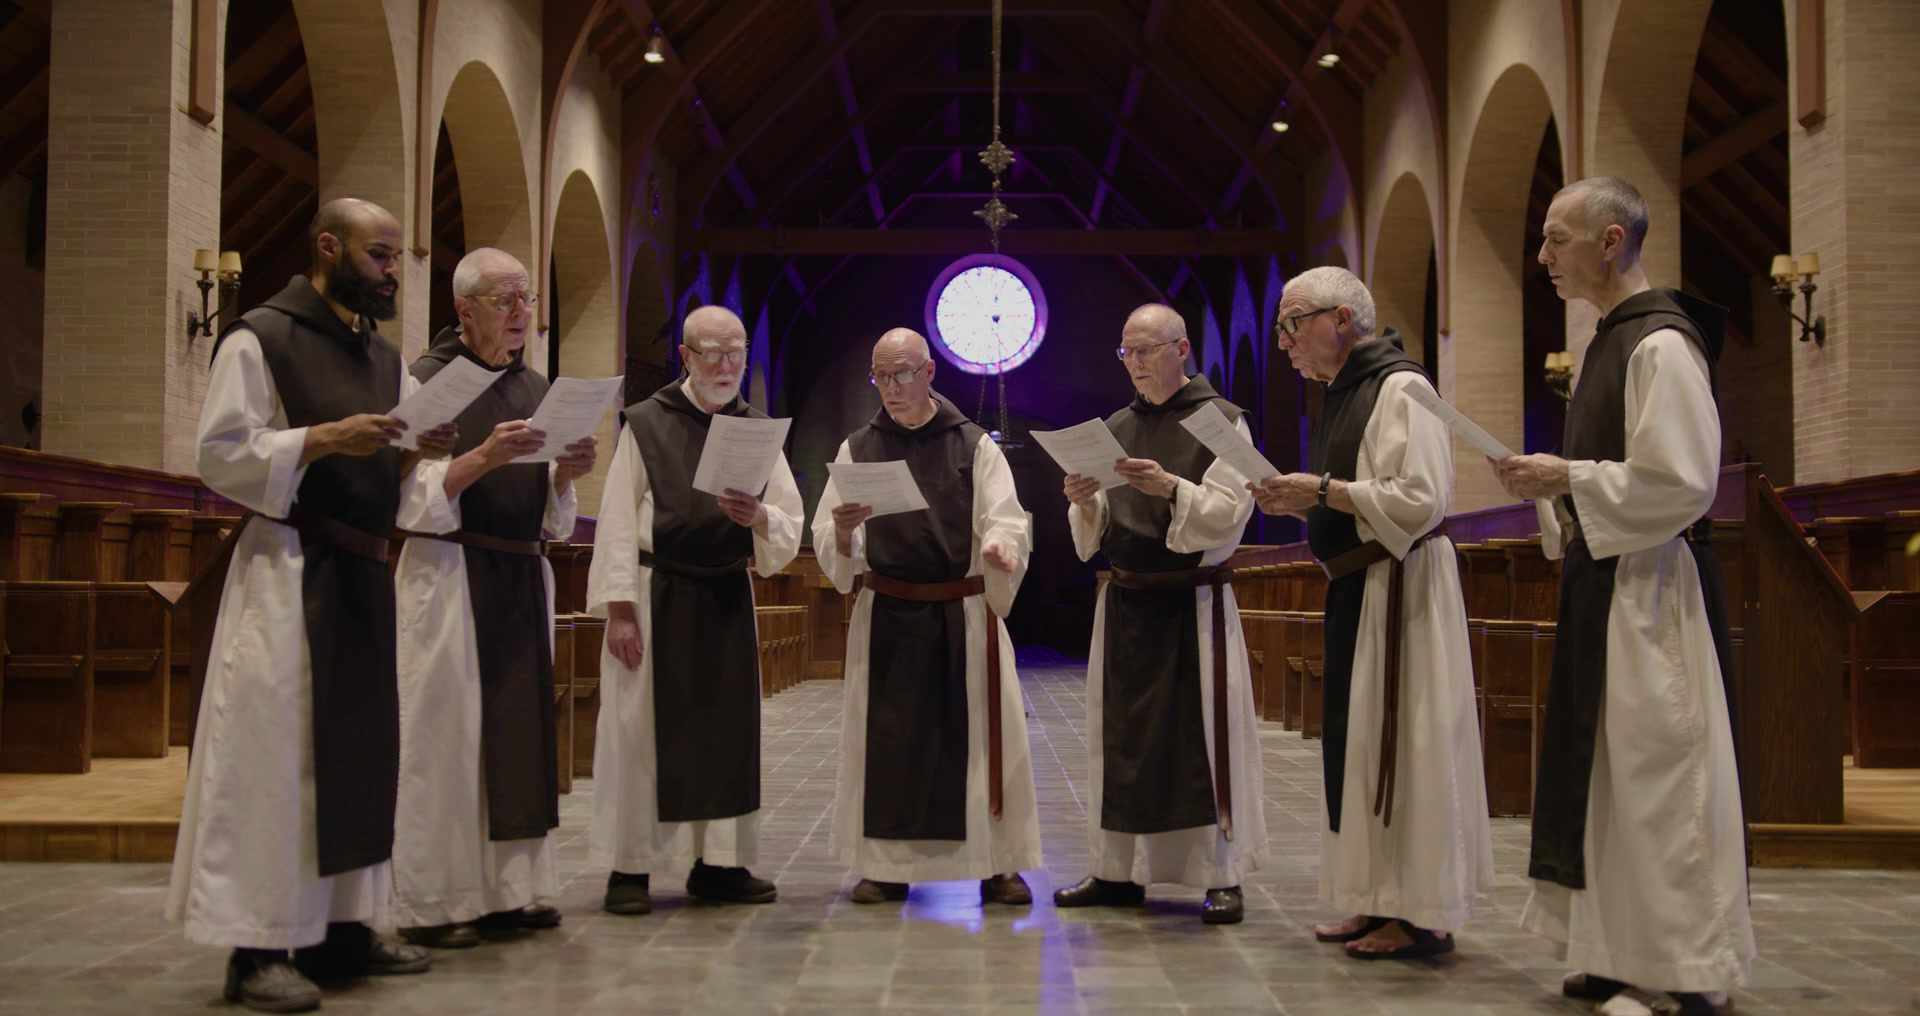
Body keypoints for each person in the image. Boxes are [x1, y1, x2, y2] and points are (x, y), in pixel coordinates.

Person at [166, 198, 456, 1012]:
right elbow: (219, 456)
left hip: (363, 574)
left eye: (398, 258)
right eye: (379, 256)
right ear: (328, 248)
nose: (392, 271)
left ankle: (345, 927)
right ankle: (256, 946)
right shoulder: (259, 337)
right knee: (275, 758)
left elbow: (388, 479)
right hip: (289, 569)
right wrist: (324, 438)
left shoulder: (387, 357)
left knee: (361, 753)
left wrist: (412, 455)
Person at [1493, 176, 1752, 1016]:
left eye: (1555, 240)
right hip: (1606, 584)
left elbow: (1683, 483)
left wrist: (1565, 476)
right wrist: (1550, 484)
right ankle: (1612, 946)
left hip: (1652, 590)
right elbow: (1611, 477)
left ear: (1610, 240)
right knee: (1606, 771)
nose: (1543, 259)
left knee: (1658, 774)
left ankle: (1682, 966)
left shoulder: (1661, 344)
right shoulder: (1608, 341)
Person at [1251, 267, 1493, 960]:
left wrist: (1320, 489)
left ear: (1343, 321)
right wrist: (1305, 499)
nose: (1285, 341)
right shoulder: (1348, 393)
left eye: (1294, 322)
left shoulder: (1403, 387)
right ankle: (1374, 896)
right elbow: (1359, 492)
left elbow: (1420, 497)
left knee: (1405, 745)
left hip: (1403, 589)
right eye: (1282, 326)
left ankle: (1420, 913)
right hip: (1364, 587)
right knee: (1362, 748)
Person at [389, 248, 598, 948]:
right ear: (464, 310)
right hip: (449, 574)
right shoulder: (425, 383)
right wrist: (483, 457)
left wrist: (564, 477)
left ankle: (511, 892)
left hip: (518, 575)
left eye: (527, 299)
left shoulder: (536, 388)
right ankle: (434, 902)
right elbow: (402, 498)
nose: (520, 314)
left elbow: (550, 515)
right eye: (504, 300)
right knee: (445, 741)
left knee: (515, 737)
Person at [1053, 303, 1268, 925]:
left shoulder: (1221, 423)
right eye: (1126, 352)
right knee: (1120, 742)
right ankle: (1118, 871)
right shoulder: (1113, 426)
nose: (1135, 364)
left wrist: (1173, 488)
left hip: (1192, 600)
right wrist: (1085, 500)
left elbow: (1231, 513)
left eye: (1146, 350)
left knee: (1205, 737)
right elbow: (1092, 533)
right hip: (1126, 601)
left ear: (1182, 350)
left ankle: (1220, 873)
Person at [586, 305, 803, 915]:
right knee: (638, 734)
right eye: (713, 353)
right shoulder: (648, 424)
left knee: (724, 737)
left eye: (736, 353)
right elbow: (618, 523)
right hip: (658, 597)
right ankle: (628, 870)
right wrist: (620, 611)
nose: (727, 365)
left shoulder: (756, 430)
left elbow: (789, 518)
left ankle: (720, 865)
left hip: (726, 596)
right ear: (686, 356)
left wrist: (759, 518)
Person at [813, 328, 1041, 906]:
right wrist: (841, 533)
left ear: (930, 371)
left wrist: (1001, 549)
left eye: (902, 374)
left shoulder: (973, 444)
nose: (891, 388)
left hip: (962, 611)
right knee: (887, 743)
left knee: (984, 740)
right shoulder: (857, 447)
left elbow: (1008, 516)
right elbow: (831, 533)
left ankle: (997, 864)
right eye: (880, 376)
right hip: (887, 614)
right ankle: (886, 864)